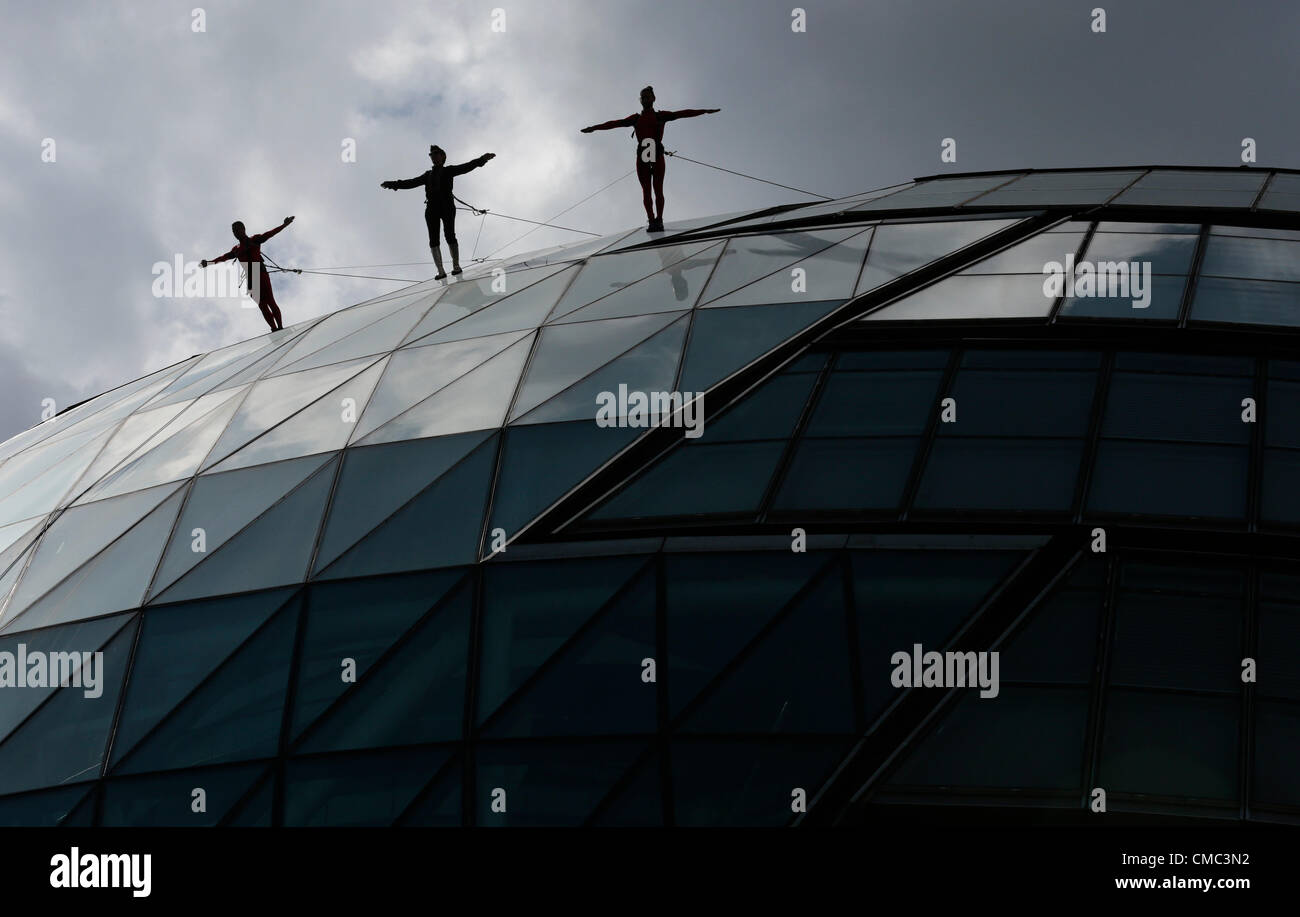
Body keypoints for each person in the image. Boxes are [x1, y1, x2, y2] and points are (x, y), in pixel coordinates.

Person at [581, 86, 719, 232]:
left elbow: (683, 113)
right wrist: (595, 127)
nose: (645, 99)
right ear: (641, 101)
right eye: (643, 97)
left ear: (653, 98)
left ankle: (659, 219)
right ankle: (652, 220)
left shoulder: (660, 116)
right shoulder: (636, 118)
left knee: (658, 189)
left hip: (655, 152)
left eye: (647, 96)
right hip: (644, 154)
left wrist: (704, 111)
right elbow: (615, 123)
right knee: (646, 190)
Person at [381, 146, 496, 279]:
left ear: (442, 156)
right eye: (431, 155)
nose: (433, 156)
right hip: (432, 209)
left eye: (436, 154)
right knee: (433, 239)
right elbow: (411, 183)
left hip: (447, 207)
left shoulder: (449, 170)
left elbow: (467, 167)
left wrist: (482, 159)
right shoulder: (427, 175)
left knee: (450, 235)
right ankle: (440, 270)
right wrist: (393, 184)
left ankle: (456, 266)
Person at [201, 216, 294, 332]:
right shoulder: (236, 249)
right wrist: (209, 263)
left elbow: (270, 234)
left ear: (244, 229)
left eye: (237, 229)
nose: (235, 232)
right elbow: (224, 258)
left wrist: (284, 225)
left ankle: (280, 327)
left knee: (270, 301)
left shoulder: (254, 239)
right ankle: (274, 329)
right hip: (251, 277)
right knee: (262, 305)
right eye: (233, 231)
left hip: (260, 272)